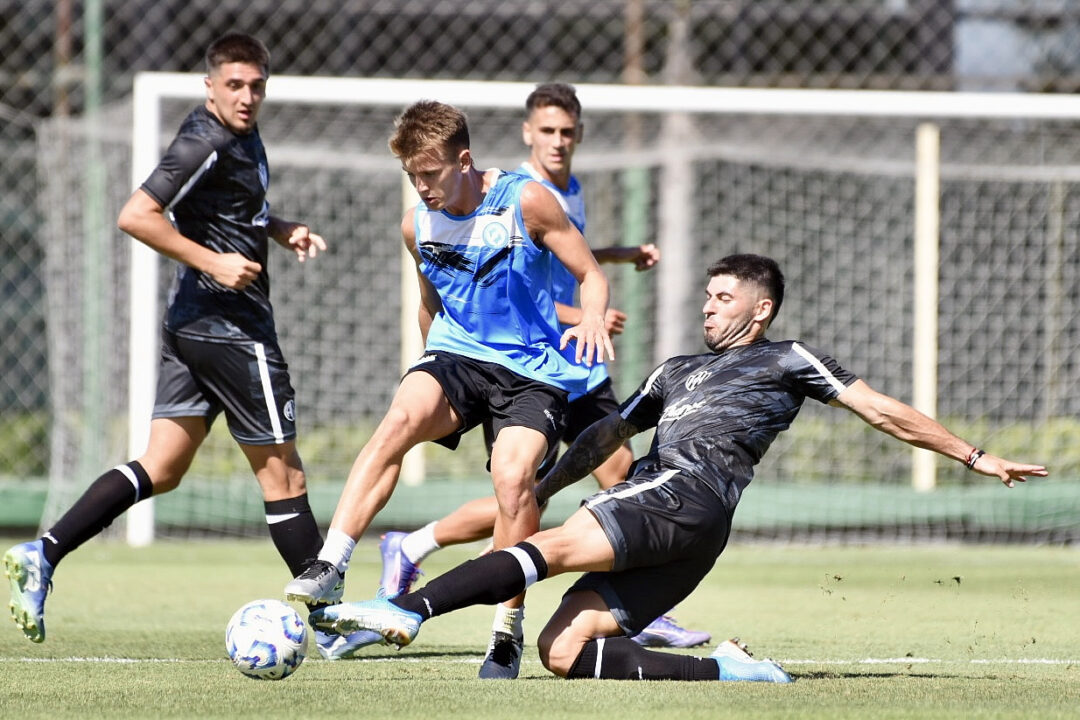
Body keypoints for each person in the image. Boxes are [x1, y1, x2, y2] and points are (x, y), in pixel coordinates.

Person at [310, 253, 1048, 683]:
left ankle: (404, 611)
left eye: (724, 298)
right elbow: (608, 433)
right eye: (707, 295)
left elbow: (882, 410)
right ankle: (730, 669)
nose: (708, 307)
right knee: (563, 651)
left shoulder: (788, 359)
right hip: (689, 530)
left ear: (760, 310)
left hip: (682, 495)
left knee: (551, 549)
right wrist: (546, 484)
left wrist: (975, 456)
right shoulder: (675, 370)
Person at [0, 32, 359, 657]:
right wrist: (215, 262)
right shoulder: (205, 140)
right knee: (284, 474)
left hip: (190, 326)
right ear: (209, 85)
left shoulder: (240, 135)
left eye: (256, 85)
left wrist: (277, 228)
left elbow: (224, 210)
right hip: (232, 331)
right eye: (234, 85)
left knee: (161, 467)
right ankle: (332, 625)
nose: (246, 96)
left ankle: (44, 552)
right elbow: (136, 214)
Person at [373, 83, 704, 678]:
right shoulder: (504, 193)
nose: (557, 141)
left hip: (576, 359)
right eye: (547, 130)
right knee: (531, 486)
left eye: (567, 132)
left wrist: (619, 257)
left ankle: (623, 607)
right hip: (535, 363)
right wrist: (581, 314)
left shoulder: (566, 191)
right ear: (527, 133)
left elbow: (569, 257)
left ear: (579, 135)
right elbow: (502, 295)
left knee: (588, 477)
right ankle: (431, 553)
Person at [282, 100, 613, 673]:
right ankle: (332, 563)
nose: (421, 186)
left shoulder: (527, 201)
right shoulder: (417, 224)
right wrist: (428, 366)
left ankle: (506, 629)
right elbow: (429, 302)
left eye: (429, 173)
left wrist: (590, 317)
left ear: (463, 161)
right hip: (458, 355)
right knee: (399, 419)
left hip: (532, 370)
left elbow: (591, 274)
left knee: (514, 482)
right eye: (411, 175)